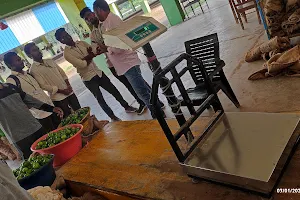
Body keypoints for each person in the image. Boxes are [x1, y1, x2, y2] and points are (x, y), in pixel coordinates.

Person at [93, 0, 161, 118]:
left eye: (95, 12)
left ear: (99, 10)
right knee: (143, 89)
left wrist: (106, 49)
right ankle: (158, 108)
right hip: (124, 65)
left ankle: (158, 114)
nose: (95, 15)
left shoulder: (112, 21)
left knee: (142, 93)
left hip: (128, 63)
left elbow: (120, 46)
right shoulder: (107, 23)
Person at [54, 28, 137, 121]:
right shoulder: (67, 54)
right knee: (100, 99)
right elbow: (82, 65)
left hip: (98, 72)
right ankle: (112, 117)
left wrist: (89, 55)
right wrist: (90, 56)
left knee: (114, 90)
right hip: (88, 78)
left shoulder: (81, 43)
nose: (67, 36)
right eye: (64, 37)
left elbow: (93, 51)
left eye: (67, 34)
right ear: (61, 41)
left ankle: (126, 107)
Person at [80, 7, 147, 115]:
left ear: (94, 13)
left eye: (89, 15)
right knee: (128, 84)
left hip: (123, 59)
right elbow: (96, 49)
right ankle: (142, 102)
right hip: (111, 63)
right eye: (86, 19)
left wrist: (103, 47)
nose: (89, 18)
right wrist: (101, 48)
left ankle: (153, 100)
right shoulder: (93, 34)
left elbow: (114, 43)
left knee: (138, 81)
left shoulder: (107, 23)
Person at [0, 82, 63, 158]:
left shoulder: (10, 86)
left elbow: (29, 99)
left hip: (35, 127)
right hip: (19, 137)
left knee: (53, 151)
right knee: (35, 161)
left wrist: (51, 108)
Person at [4, 52, 60, 133]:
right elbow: (18, 102)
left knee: (62, 129)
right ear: (10, 65)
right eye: (17, 60)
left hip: (51, 108)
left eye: (20, 59)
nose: (21, 61)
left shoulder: (28, 74)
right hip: (40, 116)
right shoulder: (11, 81)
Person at [23, 43, 81, 117]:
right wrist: (62, 91)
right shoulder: (33, 70)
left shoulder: (49, 61)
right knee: (69, 118)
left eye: (38, 49)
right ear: (29, 55)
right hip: (58, 98)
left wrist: (68, 85)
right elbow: (43, 86)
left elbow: (62, 73)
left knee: (80, 111)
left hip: (69, 91)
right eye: (34, 50)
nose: (38, 51)